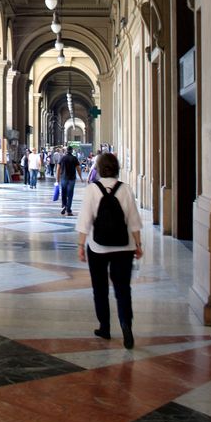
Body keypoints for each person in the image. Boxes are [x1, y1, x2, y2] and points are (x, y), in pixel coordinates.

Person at [76, 151, 143, 349]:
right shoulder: (126, 189)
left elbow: (84, 221)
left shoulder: (91, 190)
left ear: (98, 168)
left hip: (98, 247)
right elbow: (133, 221)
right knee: (123, 289)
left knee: (100, 288)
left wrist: (81, 246)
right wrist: (138, 245)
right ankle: (126, 326)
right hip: (124, 246)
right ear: (116, 168)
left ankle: (104, 326)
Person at [55, 145, 83, 216]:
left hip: (63, 178)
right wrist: (81, 177)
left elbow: (58, 169)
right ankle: (69, 210)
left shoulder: (62, 158)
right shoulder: (74, 158)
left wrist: (57, 179)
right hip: (72, 178)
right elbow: (78, 168)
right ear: (72, 151)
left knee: (64, 193)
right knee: (70, 194)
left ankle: (64, 205)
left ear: (66, 151)